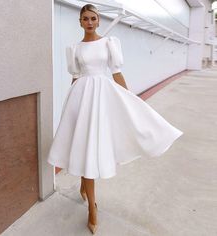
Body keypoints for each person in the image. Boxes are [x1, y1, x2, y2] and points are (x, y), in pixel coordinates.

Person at [47, 3, 183, 234]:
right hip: (81, 99)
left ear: (98, 21)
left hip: (103, 98)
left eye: (93, 18)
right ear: (79, 22)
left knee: (93, 146)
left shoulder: (109, 43)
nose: (89, 22)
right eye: (85, 19)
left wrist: (132, 101)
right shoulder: (74, 48)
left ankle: (91, 203)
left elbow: (117, 73)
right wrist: (69, 106)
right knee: (82, 144)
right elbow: (76, 77)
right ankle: (91, 203)